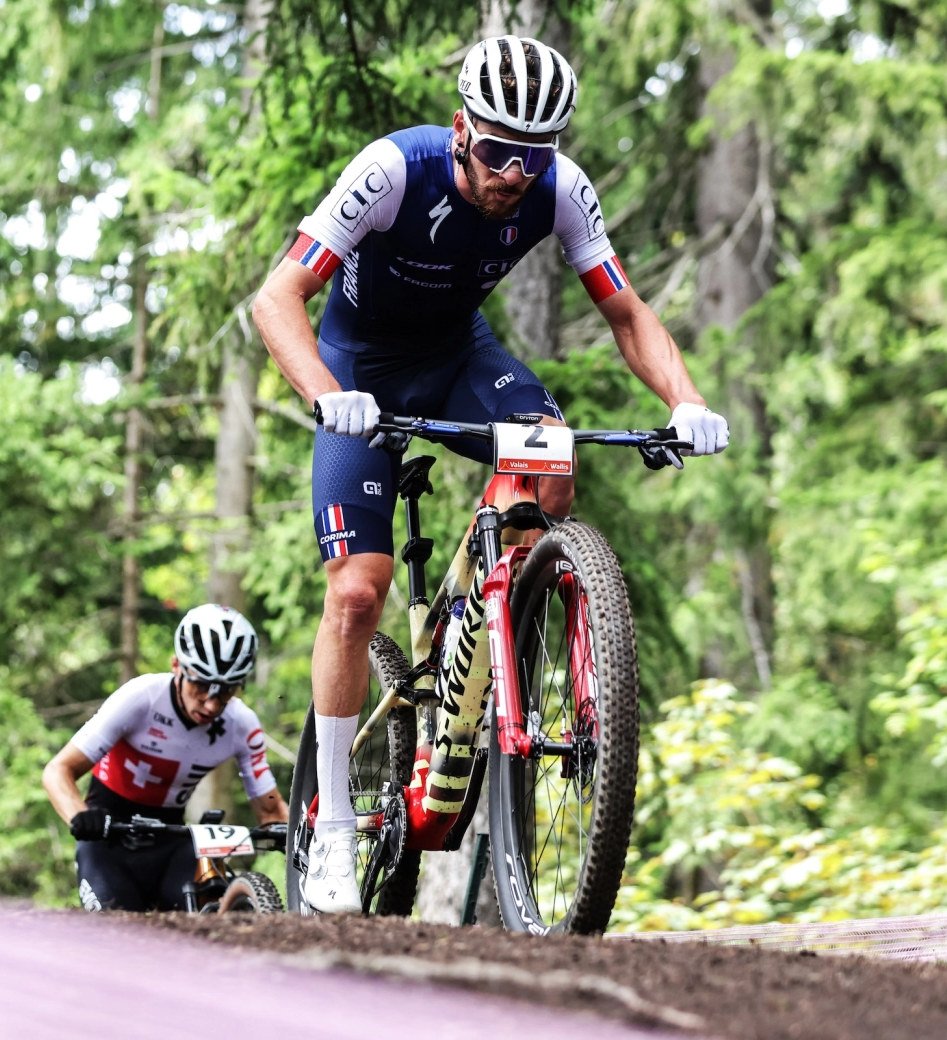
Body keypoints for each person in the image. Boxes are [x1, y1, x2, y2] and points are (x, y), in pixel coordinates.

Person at [251, 35, 731, 913]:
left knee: (551, 469)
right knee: (358, 592)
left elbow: (623, 308)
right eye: (501, 149)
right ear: (463, 127)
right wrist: (327, 395)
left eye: (535, 154)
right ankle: (334, 831)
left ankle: (495, 638)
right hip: (359, 373)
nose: (516, 172)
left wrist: (686, 400)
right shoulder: (394, 169)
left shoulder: (559, 187)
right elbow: (276, 295)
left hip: (459, 358)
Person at [42, 604, 288, 912]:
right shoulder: (141, 697)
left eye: (226, 691)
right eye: (200, 685)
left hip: (172, 843)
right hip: (107, 841)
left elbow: (272, 813)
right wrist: (79, 816)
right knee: (116, 935)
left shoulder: (241, 724)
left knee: (216, 914)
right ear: (176, 665)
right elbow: (57, 771)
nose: (211, 705)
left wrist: (315, 836)